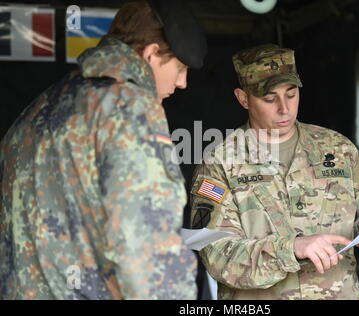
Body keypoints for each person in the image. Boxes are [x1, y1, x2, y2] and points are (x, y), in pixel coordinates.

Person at [0, 0, 207, 299]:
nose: (183, 82)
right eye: (180, 67)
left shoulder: (40, 108)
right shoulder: (129, 106)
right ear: (150, 54)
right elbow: (147, 250)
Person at [189, 44, 359, 300]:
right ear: (243, 98)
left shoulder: (338, 148)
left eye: (291, 94)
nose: (284, 108)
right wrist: (291, 248)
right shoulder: (219, 163)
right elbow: (214, 252)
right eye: (269, 99)